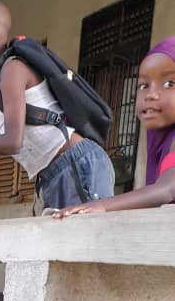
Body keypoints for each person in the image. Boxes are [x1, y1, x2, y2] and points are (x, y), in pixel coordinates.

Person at [0, 0, 115, 218]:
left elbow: (13, 141)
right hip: (52, 176)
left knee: (85, 239)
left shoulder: (13, 69)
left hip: (77, 164)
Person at [55, 37, 175, 217]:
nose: (150, 95)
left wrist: (102, 205)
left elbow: (167, 189)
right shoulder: (163, 142)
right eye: (144, 85)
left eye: (169, 84)